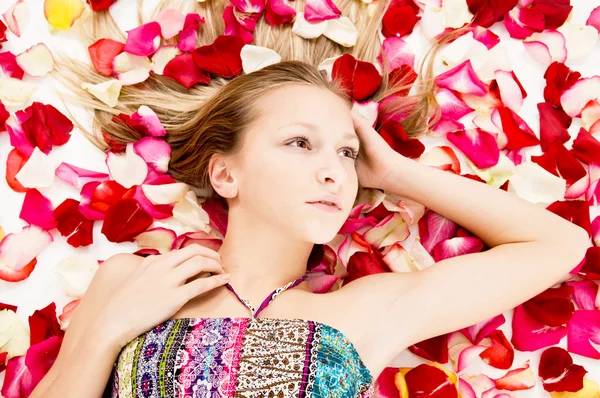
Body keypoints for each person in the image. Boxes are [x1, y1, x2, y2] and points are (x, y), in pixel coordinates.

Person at [30, 0, 589, 396]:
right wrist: (104, 333)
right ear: (225, 174)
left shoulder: (363, 312)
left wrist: (394, 171)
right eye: (300, 143)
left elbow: (559, 243)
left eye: (347, 154)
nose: (334, 173)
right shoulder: (129, 282)